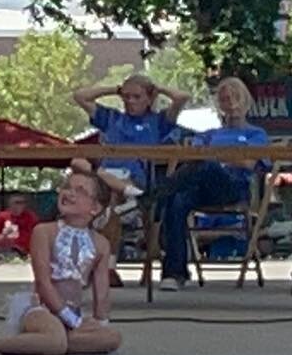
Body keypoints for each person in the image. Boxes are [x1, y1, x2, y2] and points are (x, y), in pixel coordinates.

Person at [0, 167, 121, 355]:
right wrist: (73, 321)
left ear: (95, 208)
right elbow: (44, 283)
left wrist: (99, 323)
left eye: (79, 191)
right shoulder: (44, 232)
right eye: (67, 187)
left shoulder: (101, 244)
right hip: (41, 309)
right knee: (56, 341)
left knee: (112, 338)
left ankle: (43, 341)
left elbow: (102, 291)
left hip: (74, 315)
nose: (69, 193)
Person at [158, 77, 268, 290]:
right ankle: (174, 273)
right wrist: (221, 156)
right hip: (202, 189)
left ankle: (156, 193)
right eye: (226, 99)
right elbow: (193, 157)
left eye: (236, 98)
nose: (232, 103)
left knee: (206, 165)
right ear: (220, 105)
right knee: (177, 201)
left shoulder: (256, 134)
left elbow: (249, 163)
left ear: (246, 101)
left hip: (234, 187)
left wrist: (214, 156)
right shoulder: (209, 134)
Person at [74, 73, 190, 194]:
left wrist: (158, 89)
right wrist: (115, 90)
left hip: (134, 178)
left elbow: (182, 97)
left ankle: (127, 195)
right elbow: (80, 96)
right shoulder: (111, 118)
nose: (131, 101)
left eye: (137, 97)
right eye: (126, 96)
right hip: (104, 176)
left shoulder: (159, 121)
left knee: (110, 184)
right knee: (77, 163)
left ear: (149, 99)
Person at [0, 192, 38, 260]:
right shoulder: (2, 216)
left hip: (27, 253)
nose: (20, 205)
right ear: (10, 204)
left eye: (23, 202)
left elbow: (39, 235)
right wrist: (3, 235)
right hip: (7, 252)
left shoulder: (30, 217)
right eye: (17, 202)